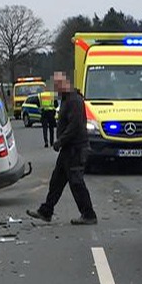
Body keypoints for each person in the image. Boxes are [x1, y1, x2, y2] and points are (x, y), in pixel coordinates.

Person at [27, 71, 98, 225]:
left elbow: (75, 125)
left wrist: (60, 141)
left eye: (58, 85)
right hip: (68, 149)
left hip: (75, 148)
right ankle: (46, 211)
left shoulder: (74, 100)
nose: (56, 89)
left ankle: (89, 214)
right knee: (57, 181)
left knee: (76, 183)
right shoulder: (67, 99)